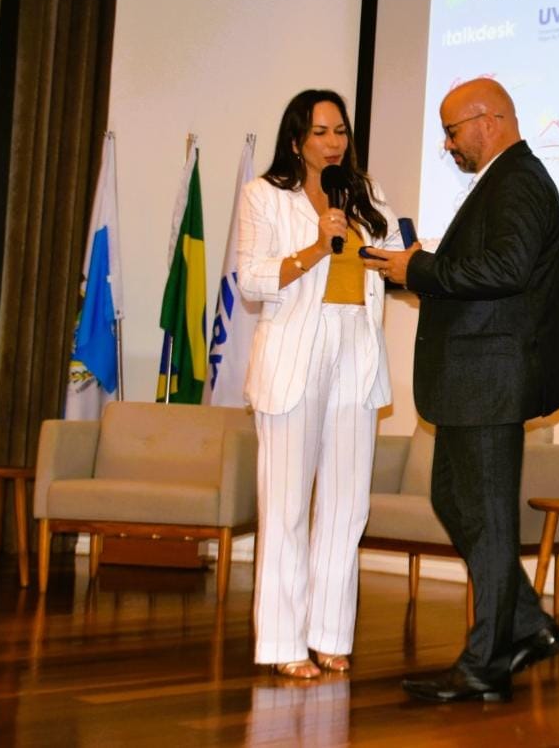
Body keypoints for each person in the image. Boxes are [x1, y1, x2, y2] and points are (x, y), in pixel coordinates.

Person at [363, 78, 559, 703]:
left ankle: (486, 664)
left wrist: (418, 268)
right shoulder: (503, 180)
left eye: (453, 132)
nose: (448, 145)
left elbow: (507, 269)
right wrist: (420, 267)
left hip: (489, 381)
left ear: (490, 120)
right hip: (471, 381)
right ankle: (529, 624)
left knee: (485, 516)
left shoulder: (520, 180)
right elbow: (492, 268)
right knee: (455, 499)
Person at [237, 89, 404, 679]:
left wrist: (408, 257)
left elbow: (388, 263)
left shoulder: (367, 195)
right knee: (286, 506)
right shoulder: (264, 196)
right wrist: (315, 248)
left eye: (341, 132)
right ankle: (283, 643)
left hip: (356, 347)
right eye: (321, 132)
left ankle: (330, 634)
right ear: (296, 140)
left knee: (347, 505)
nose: (334, 143)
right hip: (293, 354)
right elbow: (251, 280)